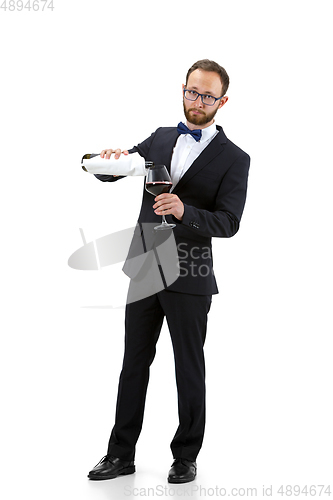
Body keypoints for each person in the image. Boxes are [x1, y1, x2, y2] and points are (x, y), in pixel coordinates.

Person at [87, 59, 250, 483]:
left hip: (191, 274)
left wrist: (184, 211)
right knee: (133, 363)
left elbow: (229, 222)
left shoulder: (235, 158)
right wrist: (106, 160)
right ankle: (120, 454)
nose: (198, 101)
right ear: (183, 89)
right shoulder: (160, 138)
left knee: (188, 367)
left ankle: (186, 456)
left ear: (223, 101)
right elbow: (119, 170)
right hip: (145, 265)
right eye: (192, 92)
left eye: (208, 96)